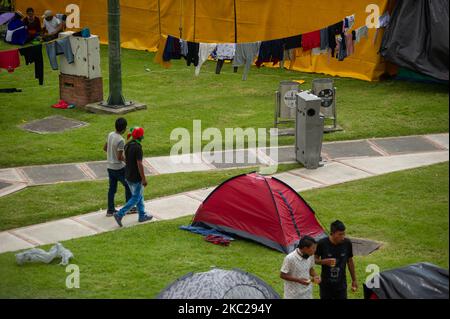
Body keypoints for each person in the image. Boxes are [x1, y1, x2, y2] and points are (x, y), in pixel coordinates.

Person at [113, 127, 153, 227]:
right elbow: (139, 164)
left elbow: (124, 159)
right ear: (141, 136)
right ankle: (119, 214)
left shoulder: (128, 144)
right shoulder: (138, 148)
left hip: (128, 175)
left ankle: (142, 215)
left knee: (139, 196)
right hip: (136, 177)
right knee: (136, 198)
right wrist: (143, 178)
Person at [315, 220, 358, 299]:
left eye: (344, 233)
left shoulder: (347, 243)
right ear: (333, 233)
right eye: (340, 234)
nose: (343, 237)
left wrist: (354, 280)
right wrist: (324, 262)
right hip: (326, 286)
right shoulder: (322, 243)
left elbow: (350, 261)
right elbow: (315, 260)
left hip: (341, 285)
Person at [103, 118, 136, 217]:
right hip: (119, 168)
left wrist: (111, 154)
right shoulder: (121, 140)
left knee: (112, 189)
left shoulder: (110, 135)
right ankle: (129, 207)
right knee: (128, 185)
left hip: (110, 167)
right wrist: (129, 162)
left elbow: (105, 148)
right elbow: (120, 157)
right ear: (124, 128)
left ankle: (110, 210)